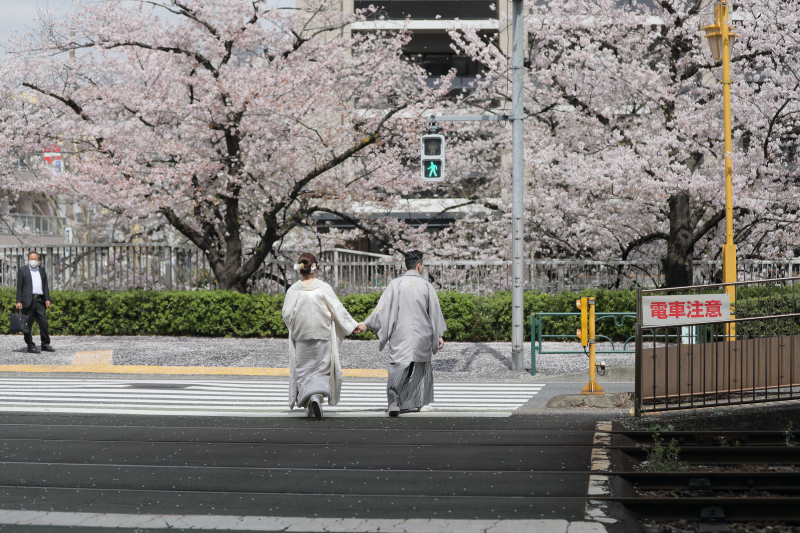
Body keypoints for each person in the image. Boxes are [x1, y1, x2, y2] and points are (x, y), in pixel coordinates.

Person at [355, 250, 446, 417]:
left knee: (397, 367)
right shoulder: (426, 286)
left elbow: (382, 308)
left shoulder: (395, 284)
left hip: (400, 333)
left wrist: (367, 324)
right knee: (421, 368)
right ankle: (420, 403)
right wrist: (438, 334)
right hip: (422, 334)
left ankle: (394, 402)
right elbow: (434, 312)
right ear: (419, 265)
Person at [282, 252, 359, 419]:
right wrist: (352, 325)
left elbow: (286, 314)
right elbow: (338, 309)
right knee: (321, 370)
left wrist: (296, 325)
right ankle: (317, 396)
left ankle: (309, 403)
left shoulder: (294, 289)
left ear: (300, 270)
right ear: (314, 269)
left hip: (302, 336)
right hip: (322, 335)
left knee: (303, 371)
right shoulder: (323, 288)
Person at [16, 251, 54, 354]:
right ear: (28, 260)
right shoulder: (22, 270)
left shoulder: (41, 270)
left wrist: (47, 298)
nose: (33, 261)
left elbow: (45, 285)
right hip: (27, 301)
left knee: (44, 322)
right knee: (27, 324)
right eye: (31, 259)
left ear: (38, 260)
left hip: (40, 300)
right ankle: (30, 345)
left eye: (35, 259)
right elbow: (19, 287)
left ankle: (45, 344)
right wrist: (18, 301)